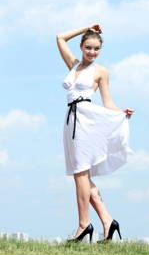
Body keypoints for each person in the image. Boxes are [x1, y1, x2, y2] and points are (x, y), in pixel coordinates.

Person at [56, 24, 135, 243]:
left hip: (86, 121)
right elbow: (60, 37)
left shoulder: (100, 71)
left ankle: (83, 225)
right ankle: (109, 222)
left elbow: (107, 101)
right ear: (81, 47)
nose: (92, 52)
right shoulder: (74, 65)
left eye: (96, 49)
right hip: (71, 120)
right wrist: (87, 27)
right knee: (80, 174)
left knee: (80, 173)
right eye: (88, 47)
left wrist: (121, 112)